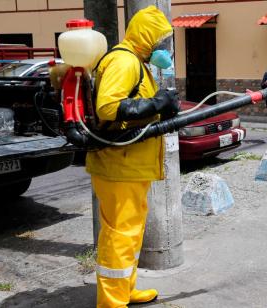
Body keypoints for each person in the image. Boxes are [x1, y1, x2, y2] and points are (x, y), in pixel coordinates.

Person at [86, 6, 180, 307]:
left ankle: (125, 290)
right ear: (147, 37)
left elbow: (137, 109)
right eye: (162, 41)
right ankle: (111, 302)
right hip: (119, 166)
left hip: (129, 166)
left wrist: (160, 105)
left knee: (130, 233)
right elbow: (108, 108)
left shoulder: (136, 62)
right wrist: (157, 102)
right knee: (120, 234)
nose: (165, 49)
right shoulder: (124, 61)